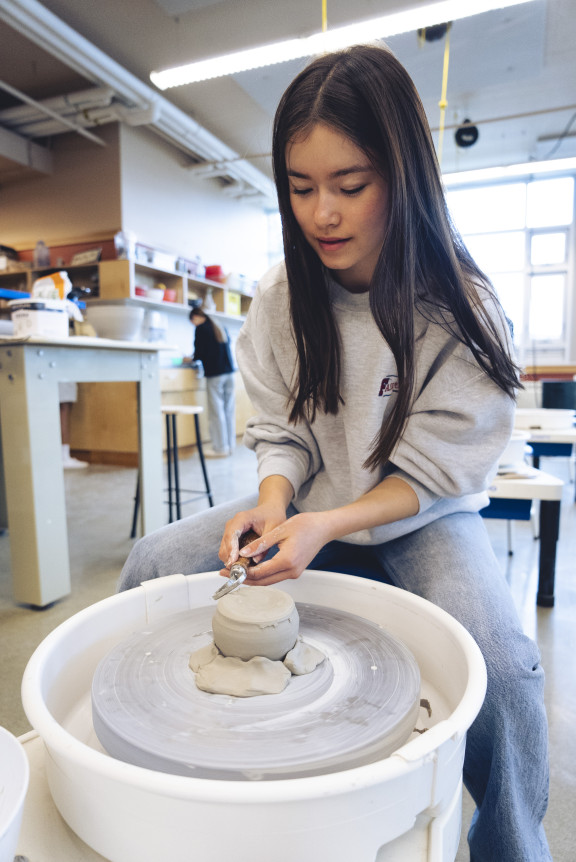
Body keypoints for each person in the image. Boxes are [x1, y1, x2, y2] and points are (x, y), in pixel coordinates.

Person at [120, 45, 551, 861]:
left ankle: (513, 846)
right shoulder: (283, 296)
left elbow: (435, 469)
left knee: (500, 662)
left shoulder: (459, 306)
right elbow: (280, 429)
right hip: (311, 505)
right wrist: (276, 503)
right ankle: (176, 783)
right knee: (152, 564)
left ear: (404, 177)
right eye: (301, 187)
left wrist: (333, 524)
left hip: (419, 517)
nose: (323, 214)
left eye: (351, 187)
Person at [189, 305, 236, 457]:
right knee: (228, 410)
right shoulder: (219, 325)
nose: (194, 324)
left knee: (216, 412)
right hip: (229, 373)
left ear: (196, 317)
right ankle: (230, 446)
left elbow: (199, 353)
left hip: (215, 374)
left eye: (192, 321)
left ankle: (220, 448)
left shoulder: (201, 328)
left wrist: (189, 358)